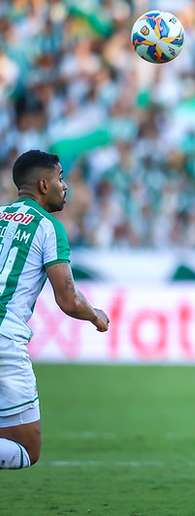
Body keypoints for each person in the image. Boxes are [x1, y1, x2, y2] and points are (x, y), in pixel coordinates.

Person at [0, 150, 109, 470]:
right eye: (61, 178)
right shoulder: (48, 227)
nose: (65, 186)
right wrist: (95, 315)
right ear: (44, 184)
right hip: (4, 339)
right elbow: (68, 299)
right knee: (25, 448)